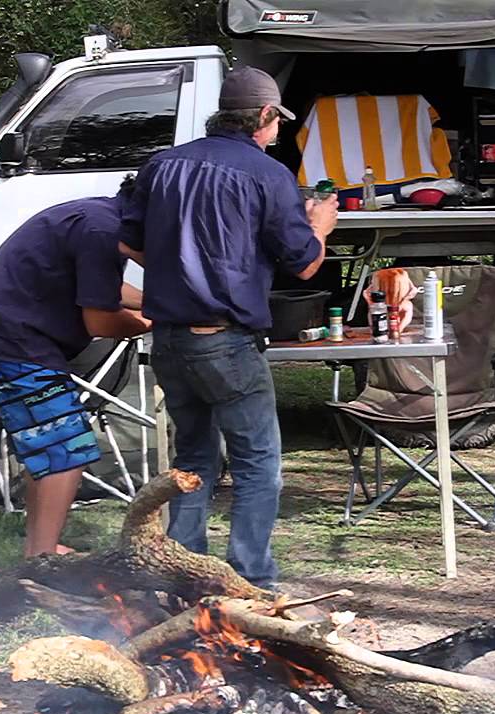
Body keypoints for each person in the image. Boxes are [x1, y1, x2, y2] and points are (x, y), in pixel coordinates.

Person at [118, 67, 339, 589]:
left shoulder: (161, 165)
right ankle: (252, 578)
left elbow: (127, 243)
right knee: (258, 461)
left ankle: (181, 574)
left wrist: (181, 271)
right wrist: (319, 226)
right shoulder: (268, 174)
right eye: (275, 121)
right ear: (264, 115)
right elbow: (305, 264)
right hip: (226, 341)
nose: (276, 130)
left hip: (168, 338)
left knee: (193, 457)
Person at [0, 176, 151, 558]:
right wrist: (149, 323)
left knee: (47, 445)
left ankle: (39, 548)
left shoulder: (99, 216)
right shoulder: (102, 231)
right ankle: (42, 556)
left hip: (5, 334)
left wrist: (156, 299)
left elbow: (101, 287)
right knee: (67, 446)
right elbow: (101, 322)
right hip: (14, 340)